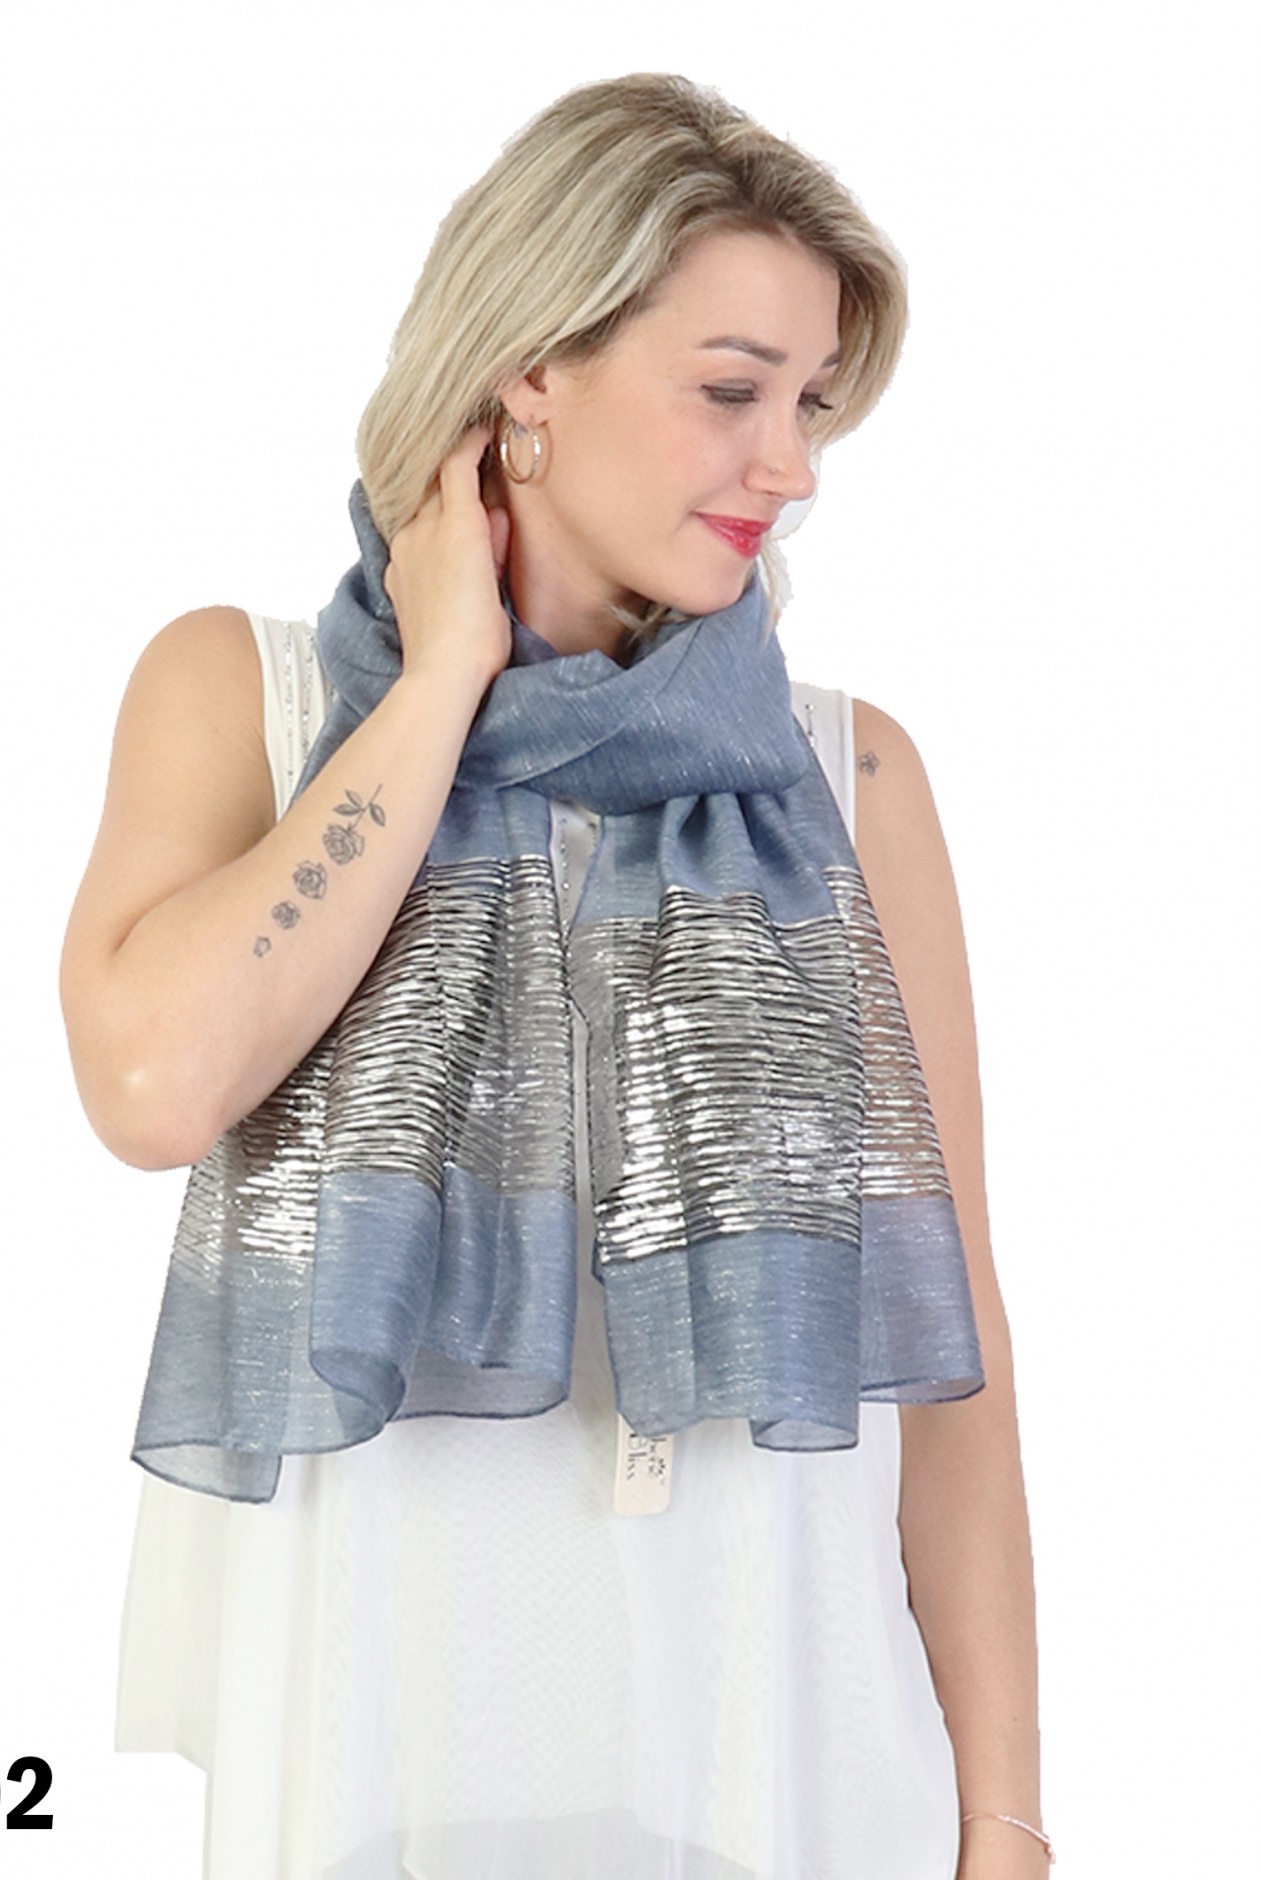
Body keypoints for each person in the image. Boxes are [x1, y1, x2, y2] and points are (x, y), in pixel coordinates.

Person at [60, 71, 1048, 1880]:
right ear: (531, 372)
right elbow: (155, 1085)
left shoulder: (846, 782)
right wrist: (441, 684)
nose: (791, 468)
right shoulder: (254, 703)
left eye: (812, 404)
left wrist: (1006, 1824)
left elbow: (955, 1352)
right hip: (385, 1763)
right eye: (732, 392)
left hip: (783, 1770)